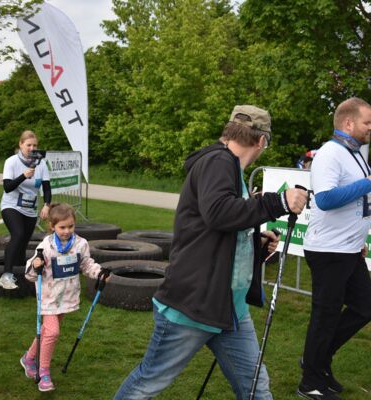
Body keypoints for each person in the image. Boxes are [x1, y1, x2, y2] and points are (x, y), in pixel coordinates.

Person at [113, 105, 308, 400]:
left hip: (229, 307)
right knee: (147, 384)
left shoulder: (228, 166)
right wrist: (278, 202)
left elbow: (215, 226)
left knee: (256, 387)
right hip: (194, 305)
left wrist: (254, 242)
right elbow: (218, 213)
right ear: (262, 141)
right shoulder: (219, 161)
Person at [298, 97, 371, 400]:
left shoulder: (355, 153)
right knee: (325, 315)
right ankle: (310, 382)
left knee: (365, 307)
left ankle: (317, 359)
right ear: (348, 123)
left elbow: (359, 200)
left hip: (349, 249)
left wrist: (359, 238)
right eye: (367, 122)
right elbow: (326, 199)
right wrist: (369, 183)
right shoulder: (330, 153)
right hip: (329, 251)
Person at [20, 203, 107, 392]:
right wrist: (35, 265)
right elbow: (30, 274)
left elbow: (86, 264)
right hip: (49, 297)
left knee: (46, 331)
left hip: (66, 296)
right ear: (52, 226)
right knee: (52, 333)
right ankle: (43, 371)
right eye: (62, 227)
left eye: (70, 226)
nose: (67, 231)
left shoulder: (81, 244)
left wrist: (99, 273)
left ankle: (28, 358)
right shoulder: (46, 246)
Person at [0, 130, 51, 290]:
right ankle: (6, 275)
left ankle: (20, 275)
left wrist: (47, 204)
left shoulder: (41, 164)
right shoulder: (11, 162)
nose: (32, 148)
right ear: (21, 144)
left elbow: (46, 187)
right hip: (11, 205)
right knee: (18, 234)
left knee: (23, 243)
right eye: (28, 145)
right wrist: (23, 176)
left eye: (35, 145)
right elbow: (7, 187)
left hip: (30, 209)